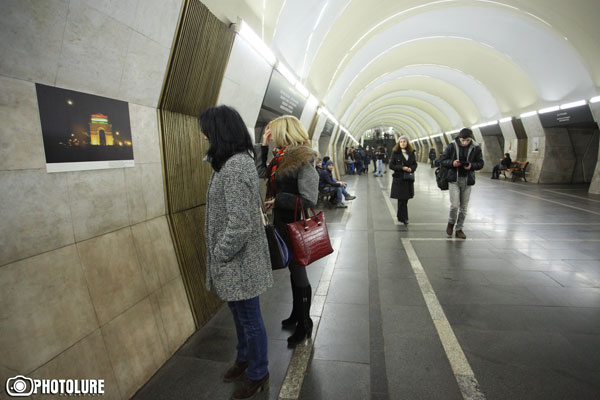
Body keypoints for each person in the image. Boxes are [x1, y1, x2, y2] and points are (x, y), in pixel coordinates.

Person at [200, 105, 273, 399]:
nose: (204, 136)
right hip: (235, 262)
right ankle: (244, 358)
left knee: (250, 320)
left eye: (207, 131)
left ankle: (259, 371)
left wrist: (220, 253)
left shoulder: (235, 167)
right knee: (239, 315)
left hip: (239, 262)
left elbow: (240, 225)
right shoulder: (228, 163)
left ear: (220, 131)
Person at [255, 115, 319, 346]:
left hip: (294, 224)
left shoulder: (304, 158)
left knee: (299, 271)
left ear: (284, 132)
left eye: (273, 132)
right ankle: (296, 314)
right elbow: (262, 172)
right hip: (282, 221)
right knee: (294, 271)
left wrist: (279, 199)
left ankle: (305, 323)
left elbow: (310, 198)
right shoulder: (279, 157)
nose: (272, 136)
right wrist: (263, 144)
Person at [439, 128, 484, 239]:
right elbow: (443, 161)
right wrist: (452, 163)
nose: (465, 143)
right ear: (459, 138)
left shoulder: (476, 148)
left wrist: (471, 166)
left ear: (471, 139)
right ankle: (450, 223)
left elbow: (480, 163)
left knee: (463, 208)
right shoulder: (451, 146)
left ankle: (459, 229)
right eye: (463, 140)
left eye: (467, 140)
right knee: (454, 206)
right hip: (454, 179)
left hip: (467, 180)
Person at [389, 136, 417, 225]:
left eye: (404, 141)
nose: (402, 143)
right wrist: (402, 167)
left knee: (405, 199)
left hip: (408, 179)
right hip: (399, 179)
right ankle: (404, 217)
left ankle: (401, 216)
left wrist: (411, 169)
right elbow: (391, 165)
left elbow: (414, 164)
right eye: (401, 141)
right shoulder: (395, 153)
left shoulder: (411, 153)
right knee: (401, 199)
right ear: (398, 143)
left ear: (407, 143)